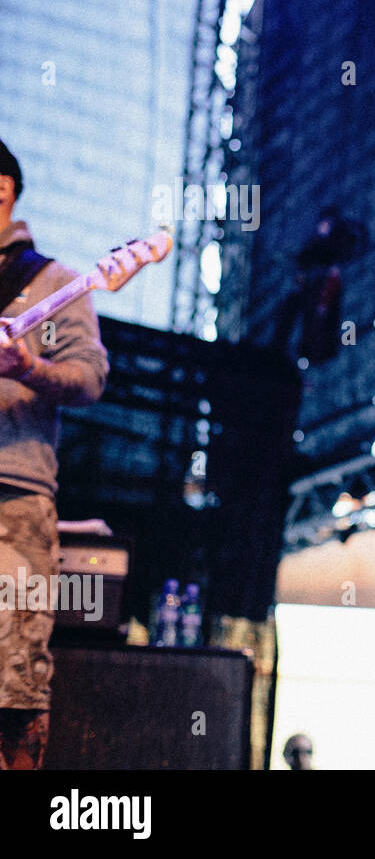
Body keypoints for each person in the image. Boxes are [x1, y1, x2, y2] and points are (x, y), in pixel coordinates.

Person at [0, 138, 109, 769]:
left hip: (12, 499)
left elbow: (90, 377)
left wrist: (28, 366)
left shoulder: (54, 284)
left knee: (12, 690)